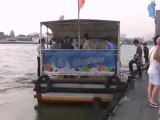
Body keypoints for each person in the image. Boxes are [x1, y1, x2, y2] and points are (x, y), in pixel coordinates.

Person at [147, 35, 160, 108]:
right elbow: (155, 57)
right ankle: (152, 101)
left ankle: (150, 99)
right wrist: (159, 45)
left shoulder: (152, 48)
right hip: (155, 71)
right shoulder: (158, 48)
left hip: (151, 69)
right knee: (157, 85)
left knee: (150, 85)